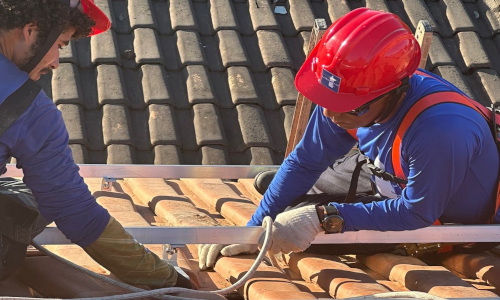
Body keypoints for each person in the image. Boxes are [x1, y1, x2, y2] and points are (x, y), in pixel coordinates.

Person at [198, 7, 500, 270]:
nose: (330, 114)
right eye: (328, 98)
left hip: (434, 213)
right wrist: (252, 231)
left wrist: (324, 217)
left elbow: (416, 211)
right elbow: (305, 161)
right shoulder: (350, 94)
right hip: (386, 172)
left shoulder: (440, 131)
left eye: (345, 106)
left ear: (393, 92)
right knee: (281, 204)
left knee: (300, 235)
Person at [0, 0, 193, 288]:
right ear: (30, 30)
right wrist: (170, 280)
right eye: (61, 44)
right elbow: (75, 211)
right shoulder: (27, 107)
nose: (55, 62)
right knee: (34, 200)